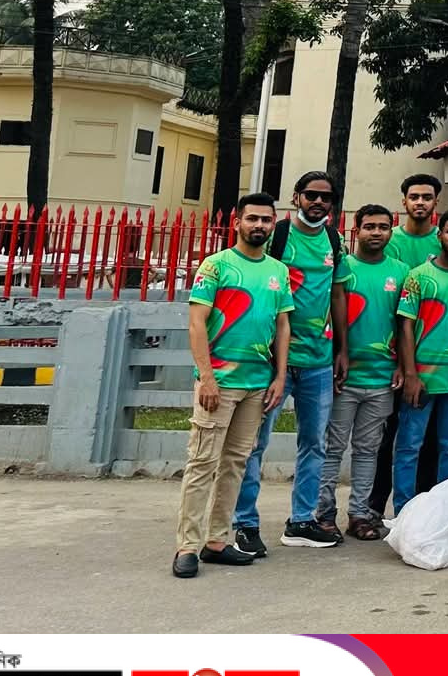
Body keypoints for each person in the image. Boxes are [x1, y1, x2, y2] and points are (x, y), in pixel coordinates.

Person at [171, 193, 291, 578]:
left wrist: (280, 376)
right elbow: (196, 323)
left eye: (266, 220)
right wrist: (206, 376)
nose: (259, 226)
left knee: (236, 463)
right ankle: (187, 545)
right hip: (219, 384)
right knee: (202, 462)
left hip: (258, 384)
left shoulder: (278, 270)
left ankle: (218, 541)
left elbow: (283, 325)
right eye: (252, 219)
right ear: (237, 222)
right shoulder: (216, 266)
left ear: (274, 224)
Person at [233, 169, 347, 555]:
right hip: (272, 362)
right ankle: (244, 523)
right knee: (253, 444)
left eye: (325, 197)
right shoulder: (278, 235)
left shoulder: (334, 240)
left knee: (315, 443)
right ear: (296, 197)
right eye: (311, 195)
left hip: (318, 361)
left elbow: (337, 295)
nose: (318, 202)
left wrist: (342, 350)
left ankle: (301, 521)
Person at [317, 203, 408, 541]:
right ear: (357, 228)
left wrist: (401, 365)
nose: (376, 233)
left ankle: (360, 514)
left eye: (383, 227)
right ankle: (324, 514)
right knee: (333, 447)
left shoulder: (401, 272)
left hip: (382, 379)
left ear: (390, 230)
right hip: (344, 378)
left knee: (369, 450)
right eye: (370, 226)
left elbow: (405, 325)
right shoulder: (342, 269)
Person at [393, 208, 448, 511]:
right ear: (439, 234)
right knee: (409, 447)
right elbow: (405, 326)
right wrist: (410, 374)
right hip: (421, 378)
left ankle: (447, 511)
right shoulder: (418, 276)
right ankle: (404, 511)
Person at [371, 172, 445, 515]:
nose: (420, 202)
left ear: (435, 203)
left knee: (428, 437)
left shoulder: (443, 241)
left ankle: (424, 506)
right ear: (404, 202)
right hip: (391, 353)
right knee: (388, 435)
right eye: (414, 196)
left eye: (426, 197)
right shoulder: (392, 239)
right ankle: (374, 505)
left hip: (432, 355)